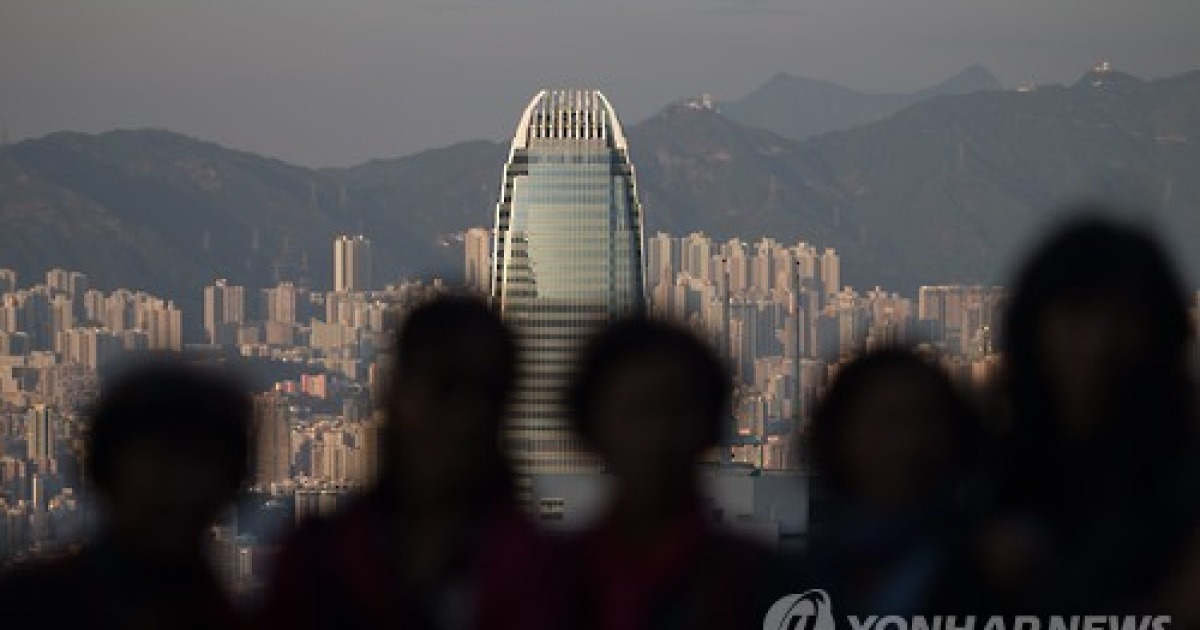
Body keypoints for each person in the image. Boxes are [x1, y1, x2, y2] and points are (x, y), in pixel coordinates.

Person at [259, 295, 553, 630]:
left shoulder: (546, 576)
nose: (465, 417)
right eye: (444, 388)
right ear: (396, 392)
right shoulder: (321, 563)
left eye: (487, 392)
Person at [977, 214, 1200, 613]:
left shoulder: (1184, 479)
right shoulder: (980, 475)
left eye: (1123, 317)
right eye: (1078, 316)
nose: (1100, 343)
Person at [0, 359, 253, 629]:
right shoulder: (29, 606)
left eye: (196, 471)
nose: (178, 494)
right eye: (160, 475)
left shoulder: (31, 602)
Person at [560, 317, 775, 629]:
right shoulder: (544, 580)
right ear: (589, 426)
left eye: (676, 411)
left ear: (711, 426)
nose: (656, 436)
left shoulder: (762, 583)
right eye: (637, 412)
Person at [801, 348, 980, 616]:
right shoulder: (795, 580)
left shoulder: (988, 572)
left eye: (925, 422)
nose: (905, 445)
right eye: (885, 422)